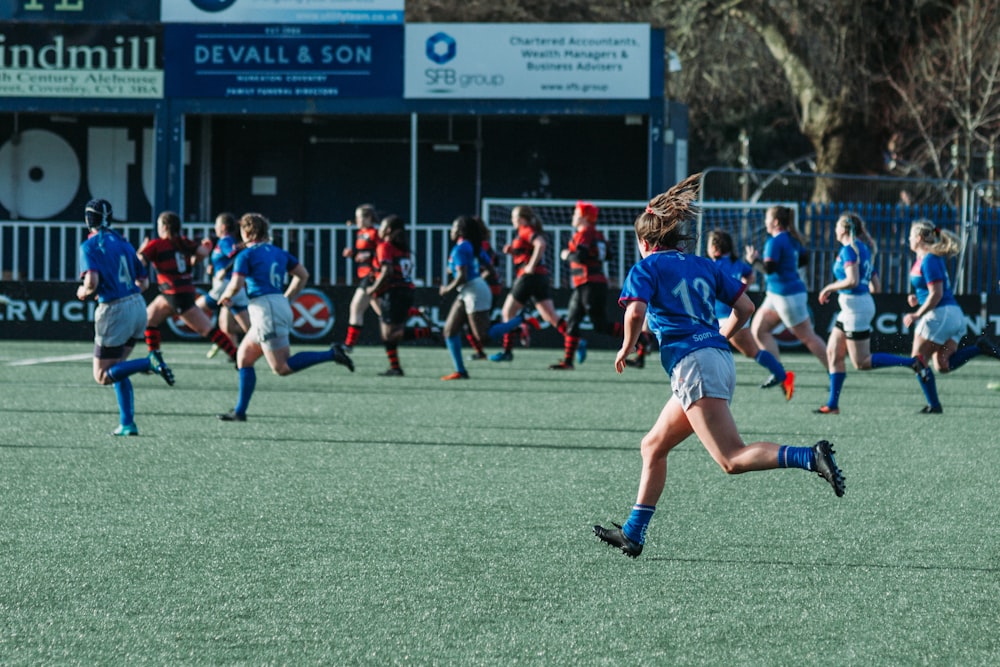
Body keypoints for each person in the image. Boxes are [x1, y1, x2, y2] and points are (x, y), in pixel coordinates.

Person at [592, 174, 845, 559]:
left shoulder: (645, 268)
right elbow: (745, 308)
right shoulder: (701, 264)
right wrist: (720, 336)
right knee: (653, 445)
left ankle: (810, 456)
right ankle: (633, 532)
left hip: (693, 366)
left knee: (731, 459)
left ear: (645, 242)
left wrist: (626, 346)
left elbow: (636, 312)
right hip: (716, 361)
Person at [216, 212, 354, 421]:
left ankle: (331, 354)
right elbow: (303, 275)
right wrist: (287, 297)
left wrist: (225, 296)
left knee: (281, 367)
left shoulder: (245, 254)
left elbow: (235, 285)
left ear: (246, 231)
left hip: (265, 310)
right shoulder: (280, 252)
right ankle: (240, 411)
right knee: (243, 357)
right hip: (275, 304)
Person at [859, 219, 1000, 413]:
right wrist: (918, 299)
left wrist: (917, 313)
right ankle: (979, 348)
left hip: (941, 314)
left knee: (918, 358)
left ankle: (934, 405)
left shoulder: (929, 259)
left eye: (910, 235)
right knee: (943, 365)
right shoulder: (924, 259)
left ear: (918, 238)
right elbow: (930, 291)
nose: (907, 239)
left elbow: (937, 294)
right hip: (950, 314)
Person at [76, 198, 174, 436]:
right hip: (138, 306)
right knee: (118, 367)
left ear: (89, 220)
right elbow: (144, 282)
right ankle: (127, 423)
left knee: (101, 376)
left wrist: (82, 292)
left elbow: (92, 283)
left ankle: (149, 362)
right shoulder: (124, 243)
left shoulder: (89, 246)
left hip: (114, 309)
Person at [138, 211, 240, 363]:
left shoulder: (156, 244)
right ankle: (154, 357)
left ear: (165, 227)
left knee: (206, 329)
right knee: (149, 319)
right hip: (183, 290)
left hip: (173, 292)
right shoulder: (183, 241)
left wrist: (141, 249)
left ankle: (237, 357)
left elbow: (139, 262)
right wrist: (194, 260)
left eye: (159, 225)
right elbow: (203, 253)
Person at [746, 205, 828, 389]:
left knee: (808, 337)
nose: (765, 222)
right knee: (759, 330)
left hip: (787, 296)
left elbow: (769, 269)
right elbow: (803, 260)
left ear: (775, 222)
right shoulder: (791, 239)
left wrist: (753, 261)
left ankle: (835, 371)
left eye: (767, 218)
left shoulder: (774, 242)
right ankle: (779, 373)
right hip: (778, 294)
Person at [708, 229, 794, 399]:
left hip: (726, 317)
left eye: (710, 245)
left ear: (716, 248)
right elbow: (750, 275)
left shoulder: (713, 265)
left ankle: (783, 376)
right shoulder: (737, 263)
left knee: (750, 351)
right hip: (734, 314)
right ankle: (781, 375)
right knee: (722, 350)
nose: (708, 249)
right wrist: (742, 289)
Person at [814, 213, 880, 413]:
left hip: (855, 308)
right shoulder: (863, 249)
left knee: (861, 362)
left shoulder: (848, 250)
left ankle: (911, 362)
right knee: (833, 352)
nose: (834, 229)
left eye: (836, 225)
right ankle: (832, 405)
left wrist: (830, 288)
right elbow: (876, 287)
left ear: (844, 229)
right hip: (853, 307)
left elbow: (852, 280)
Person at [551, 201, 623, 370]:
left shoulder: (584, 234)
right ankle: (568, 361)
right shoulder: (597, 235)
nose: (573, 217)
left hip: (590, 283)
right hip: (588, 283)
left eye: (576, 214)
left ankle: (641, 339)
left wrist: (566, 255)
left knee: (599, 324)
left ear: (584, 217)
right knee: (572, 321)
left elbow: (580, 257)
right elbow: (609, 255)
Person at [487, 205, 564, 363]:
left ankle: (508, 349)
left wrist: (530, 266)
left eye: (514, 217)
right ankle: (576, 340)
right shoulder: (526, 231)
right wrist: (513, 252)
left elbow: (540, 244)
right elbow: (529, 251)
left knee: (508, 312)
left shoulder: (525, 229)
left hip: (528, 277)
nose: (512, 220)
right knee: (550, 316)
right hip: (541, 277)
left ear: (522, 218)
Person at [438, 215, 493, 380]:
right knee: (449, 330)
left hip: (472, 289)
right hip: (471, 289)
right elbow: (489, 269)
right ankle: (460, 371)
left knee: (482, 336)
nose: (451, 231)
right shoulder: (473, 246)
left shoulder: (461, 248)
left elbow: (462, 276)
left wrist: (447, 289)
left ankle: (518, 326)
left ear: (460, 231)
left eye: (454, 227)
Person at [367, 214, 418, 376]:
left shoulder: (385, 246)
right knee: (390, 333)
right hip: (405, 291)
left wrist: (374, 287)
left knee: (389, 334)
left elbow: (387, 271)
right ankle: (395, 367)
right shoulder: (403, 248)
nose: (379, 230)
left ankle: (428, 333)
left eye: (381, 227)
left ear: (388, 230)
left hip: (395, 292)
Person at [196, 212, 250, 359]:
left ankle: (219, 340)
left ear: (223, 227)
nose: (215, 228)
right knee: (237, 327)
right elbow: (231, 257)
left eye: (217, 225)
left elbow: (236, 254)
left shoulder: (225, 240)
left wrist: (223, 271)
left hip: (225, 287)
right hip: (233, 287)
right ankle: (236, 351)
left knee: (194, 309)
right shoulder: (226, 241)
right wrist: (214, 269)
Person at [342, 203, 381, 351]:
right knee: (384, 315)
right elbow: (363, 256)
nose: (356, 220)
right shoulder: (360, 233)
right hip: (365, 275)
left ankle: (349, 345)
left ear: (368, 218)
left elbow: (381, 253)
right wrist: (353, 255)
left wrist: (369, 255)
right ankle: (421, 327)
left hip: (372, 276)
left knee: (356, 307)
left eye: (359, 217)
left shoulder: (375, 233)